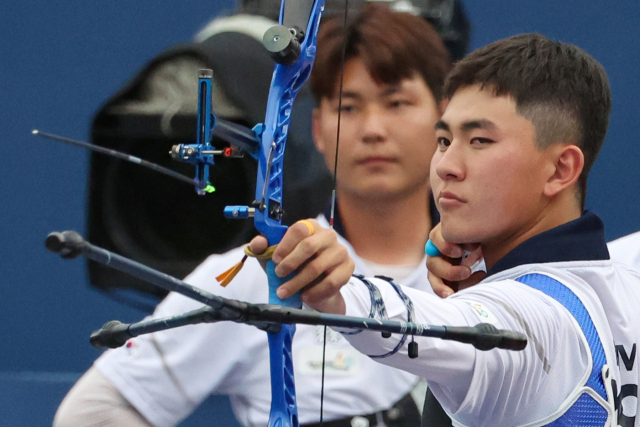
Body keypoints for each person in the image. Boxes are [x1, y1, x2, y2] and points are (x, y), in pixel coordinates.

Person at [53, 5, 453, 427]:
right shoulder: (260, 272)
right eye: (348, 107)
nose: (373, 128)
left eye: (396, 102)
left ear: (444, 121)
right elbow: (90, 414)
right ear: (318, 129)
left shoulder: (482, 273)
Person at [260, 34, 640, 425]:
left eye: (479, 140)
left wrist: (339, 293)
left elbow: (430, 326)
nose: (445, 166)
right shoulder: (625, 280)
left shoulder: (530, 318)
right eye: (443, 140)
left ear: (561, 169)